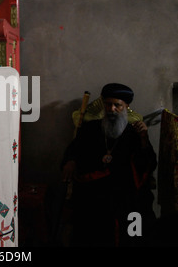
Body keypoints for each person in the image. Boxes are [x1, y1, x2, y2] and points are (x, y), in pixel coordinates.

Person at [61, 83, 157, 246]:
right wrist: (70, 161)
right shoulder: (90, 128)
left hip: (123, 198)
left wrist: (143, 139)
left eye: (117, 105)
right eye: (108, 104)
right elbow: (74, 149)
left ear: (126, 106)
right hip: (92, 196)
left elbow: (148, 165)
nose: (111, 109)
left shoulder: (134, 133)